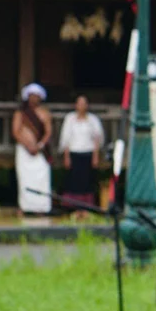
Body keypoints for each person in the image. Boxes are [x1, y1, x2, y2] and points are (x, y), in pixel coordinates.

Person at [13, 83, 53, 215]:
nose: (33, 99)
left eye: (36, 96)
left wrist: (39, 145)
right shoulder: (21, 113)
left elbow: (48, 132)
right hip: (25, 151)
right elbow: (16, 131)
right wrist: (28, 146)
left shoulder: (45, 113)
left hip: (40, 151)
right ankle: (24, 207)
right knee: (25, 179)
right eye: (31, 96)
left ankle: (41, 208)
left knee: (41, 179)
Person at [59, 95, 105, 209]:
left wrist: (95, 156)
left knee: (87, 181)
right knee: (73, 181)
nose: (81, 106)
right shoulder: (70, 118)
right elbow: (66, 139)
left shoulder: (93, 119)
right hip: (74, 153)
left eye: (84, 103)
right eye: (79, 103)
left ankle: (87, 205)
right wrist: (66, 157)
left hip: (88, 153)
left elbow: (97, 138)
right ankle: (71, 205)